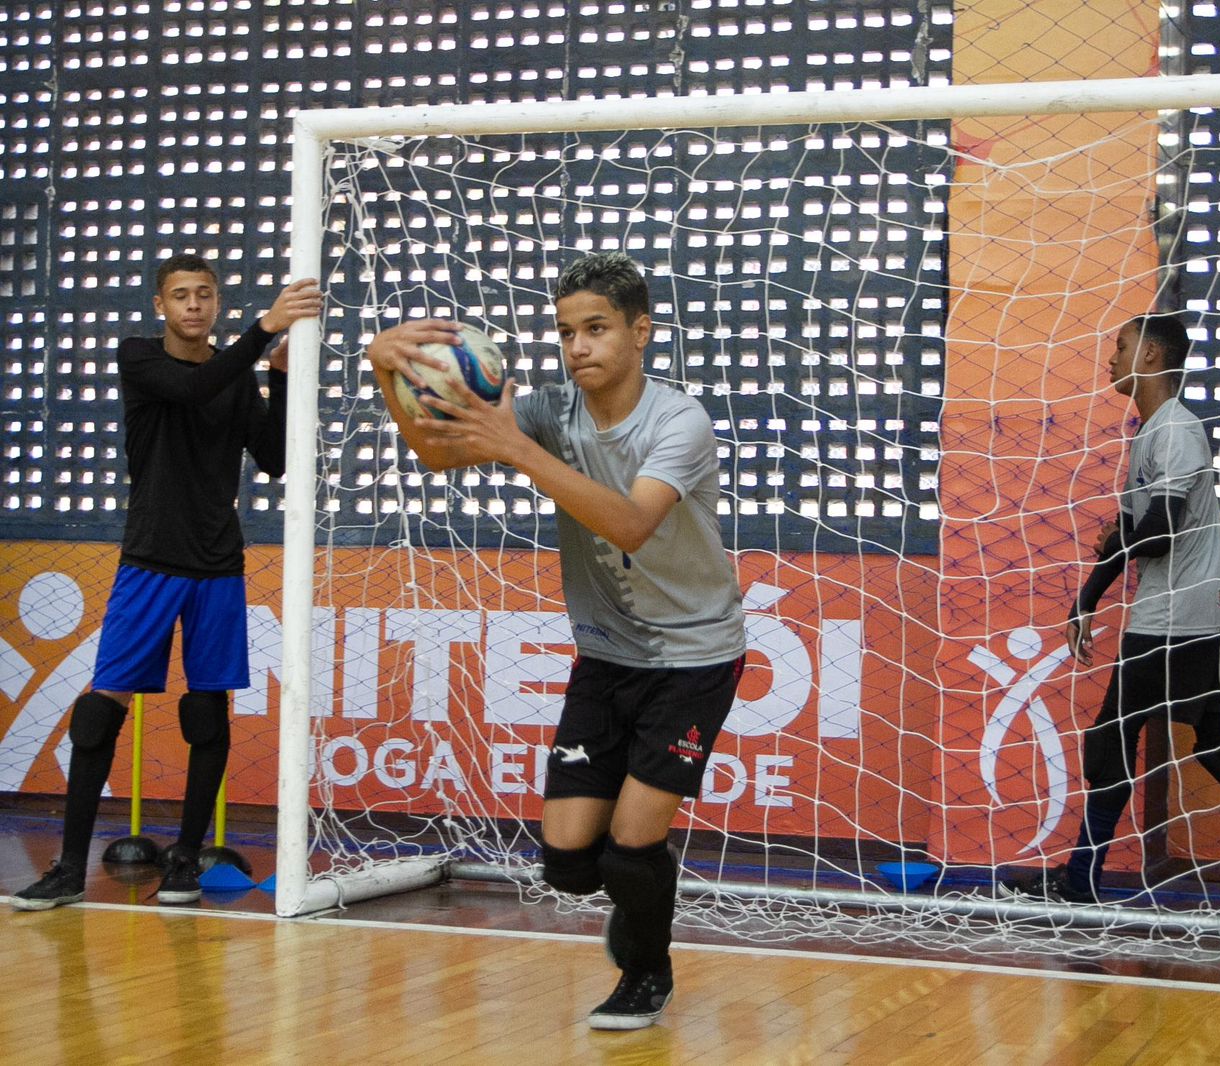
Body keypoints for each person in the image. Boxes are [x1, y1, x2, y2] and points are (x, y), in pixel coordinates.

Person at [365, 252, 745, 1030]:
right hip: (606, 656)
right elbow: (438, 453)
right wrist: (386, 374)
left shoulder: (680, 421)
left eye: (597, 328)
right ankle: (636, 899)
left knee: (631, 844)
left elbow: (632, 523)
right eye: (567, 331)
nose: (579, 347)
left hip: (694, 658)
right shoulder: (547, 413)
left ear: (641, 332)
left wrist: (519, 450)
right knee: (570, 864)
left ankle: (647, 970)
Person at [12, 254, 323, 910]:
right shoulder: (139, 357)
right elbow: (192, 389)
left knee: (206, 712)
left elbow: (270, 460)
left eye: (204, 295)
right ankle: (68, 868)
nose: (192, 305)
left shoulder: (234, 374)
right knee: (100, 713)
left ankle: (184, 859)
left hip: (216, 567)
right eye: (180, 295)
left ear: (216, 303)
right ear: (162, 305)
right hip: (150, 561)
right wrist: (265, 332)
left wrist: (276, 378)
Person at [1005, 313, 1220, 915]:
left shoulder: (1176, 432)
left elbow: (1152, 537)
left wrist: (1113, 555)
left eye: (1121, 347)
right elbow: (1137, 534)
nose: (1111, 360)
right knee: (1217, 745)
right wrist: (1090, 595)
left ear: (1152, 355)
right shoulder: (1150, 432)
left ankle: (1082, 881)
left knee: (1112, 736)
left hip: (1182, 618)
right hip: (1181, 614)